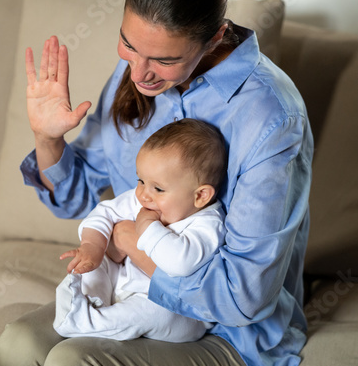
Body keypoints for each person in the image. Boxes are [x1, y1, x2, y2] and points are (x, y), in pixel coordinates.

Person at [0, 0, 313, 366]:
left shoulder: (270, 118)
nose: (139, 73)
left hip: (233, 338)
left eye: (163, 60)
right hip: (136, 297)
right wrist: (47, 137)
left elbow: (243, 297)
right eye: (128, 45)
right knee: (16, 347)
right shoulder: (139, 80)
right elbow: (77, 198)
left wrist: (130, 244)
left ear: (214, 39)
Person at [53, 118, 227, 343]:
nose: (143, 194)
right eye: (140, 180)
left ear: (200, 196)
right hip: (121, 282)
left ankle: (86, 322)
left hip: (173, 309)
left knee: (156, 314)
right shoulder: (147, 199)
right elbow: (104, 213)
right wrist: (91, 246)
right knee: (97, 259)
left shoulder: (209, 224)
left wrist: (145, 226)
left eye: (158, 188)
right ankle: (90, 300)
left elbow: (179, 264)